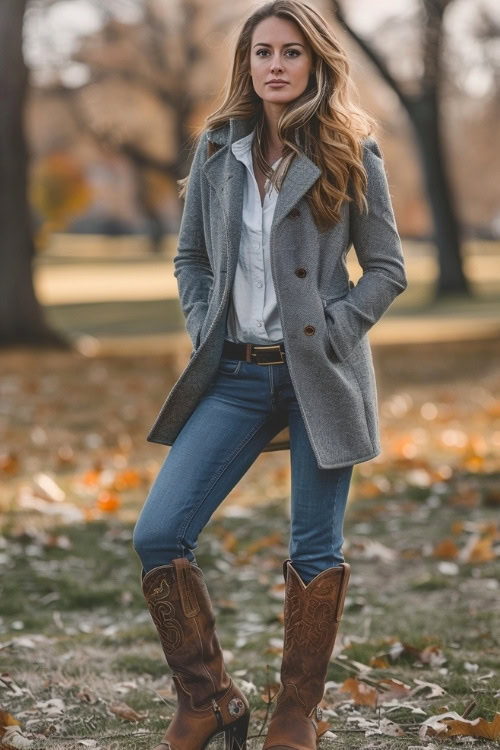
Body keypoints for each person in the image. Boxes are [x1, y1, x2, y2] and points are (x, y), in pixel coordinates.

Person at [132, 1, 408, 748]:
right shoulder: (217, 148)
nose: (276, 64)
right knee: (159, 533)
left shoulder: (353, 149)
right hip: (234, 375)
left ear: (315, 63)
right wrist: (203, 324)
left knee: (316, 551)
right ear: (246, 65)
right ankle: (209, 698)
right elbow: (190, 257)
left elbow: (387, 269)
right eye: (263, 52)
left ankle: (296, 713)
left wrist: (336, 331)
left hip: (322, 377)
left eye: (291, 52)